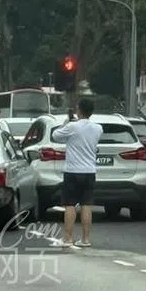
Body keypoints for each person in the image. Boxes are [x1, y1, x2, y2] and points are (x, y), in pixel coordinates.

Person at [50, 96, 101, 248]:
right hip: (89, 170)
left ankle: (67, 238)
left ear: (79, 110)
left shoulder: (72, 127)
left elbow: (55, 136)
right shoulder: (98, 128)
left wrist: (66, 123)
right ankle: (85, 239)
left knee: (70, 204)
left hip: (72, 170)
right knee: (87, 205)